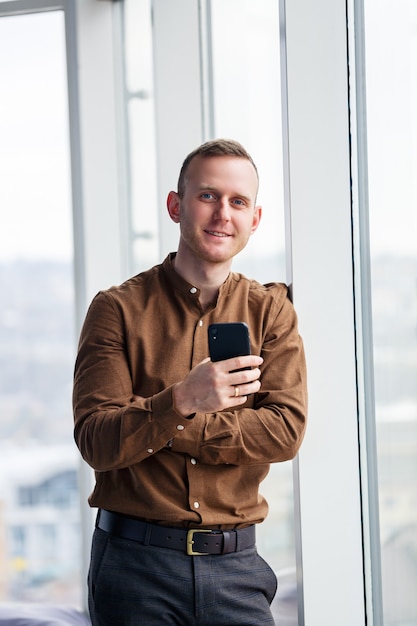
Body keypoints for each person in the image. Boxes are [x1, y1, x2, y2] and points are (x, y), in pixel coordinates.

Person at [73, 138, 307, 626]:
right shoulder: (116, 310)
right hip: (134, 568)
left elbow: (284, 433)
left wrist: (170, 417)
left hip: (237, 568)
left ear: (255, 219)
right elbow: (97, 440)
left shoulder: (271, 314)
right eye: (207, 196)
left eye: (238, 202)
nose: (223, 213)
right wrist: (182, 398)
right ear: (175, 206)